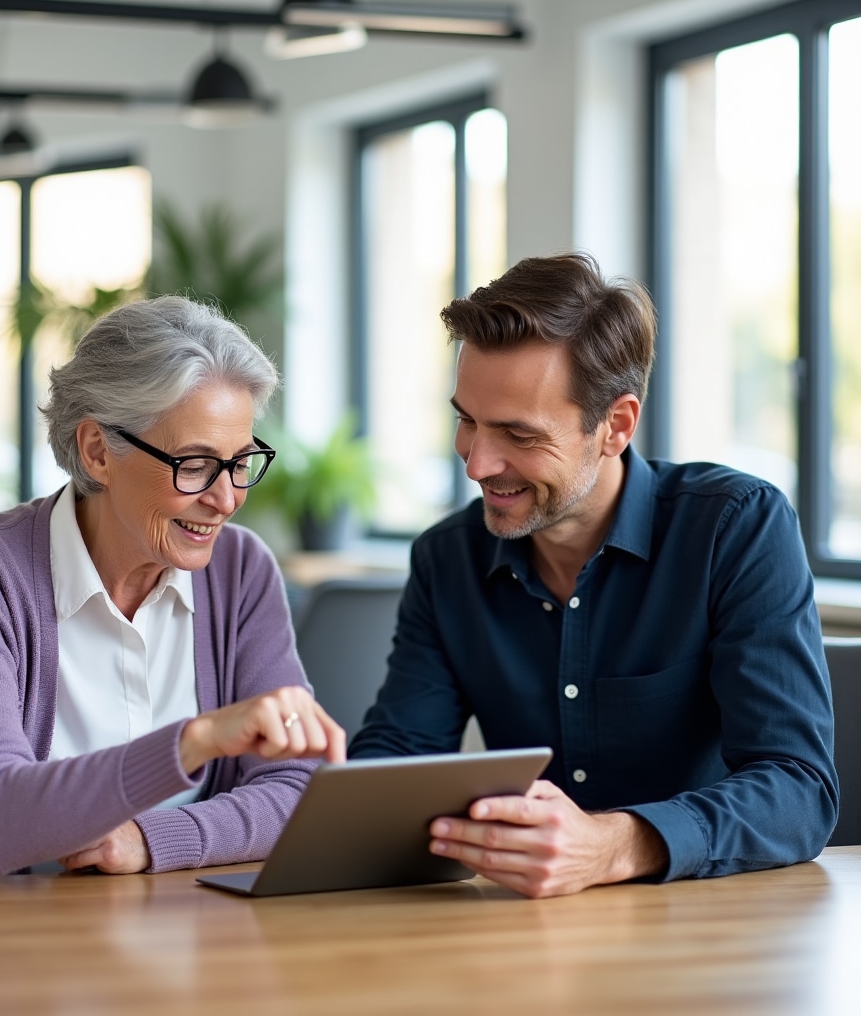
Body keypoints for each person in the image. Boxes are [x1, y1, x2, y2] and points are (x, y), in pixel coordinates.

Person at [349, 251, 837, 898]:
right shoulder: (447, 558)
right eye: (467, 420)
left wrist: (613, 845)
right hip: (524, 925)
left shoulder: (735, 528)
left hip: (707, 923)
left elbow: (799, 790)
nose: (476, 464)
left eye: (519, 435)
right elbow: (397, 762)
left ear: (615, 425)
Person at [0, 295, 344, 881]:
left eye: (241, 462)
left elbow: (298, 785)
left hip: (169, 920)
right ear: (98, 451)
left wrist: (152, 839)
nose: (226, 499)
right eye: (195, 465)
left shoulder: (241, 570)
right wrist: (195, 742)